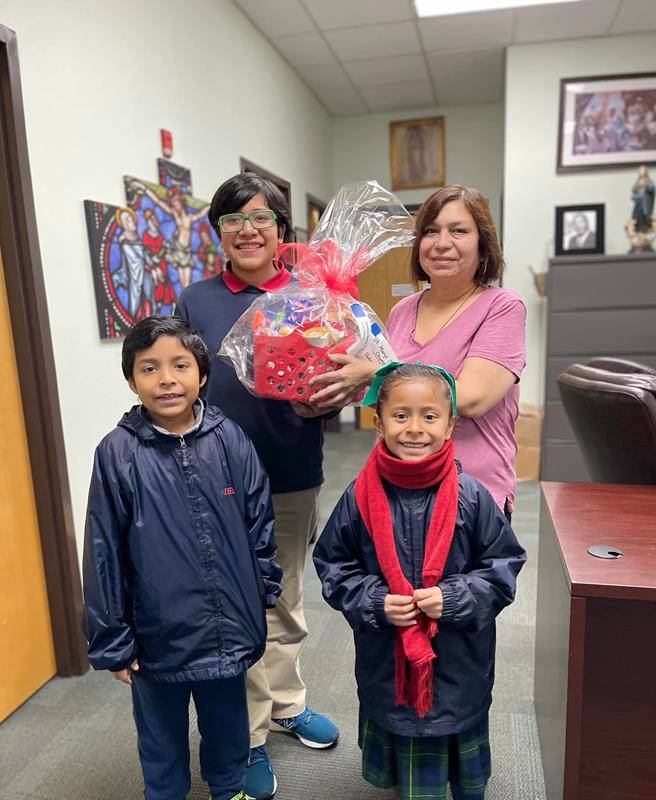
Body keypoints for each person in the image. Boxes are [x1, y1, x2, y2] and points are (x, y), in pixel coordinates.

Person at [174, 173, 340, 800]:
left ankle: (287, 701)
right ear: (218, 232)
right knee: (237, 605)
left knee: (286, 596)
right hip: (215, 480)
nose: (248, 230)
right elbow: (180, 383)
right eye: (233, 219)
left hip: (291, 471)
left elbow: (333, 381)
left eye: (261, 217)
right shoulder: (195, 300)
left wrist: (326, 402)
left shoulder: (311, 295)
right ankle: (249, 736)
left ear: (280, 229)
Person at [82, 315, 282, 800]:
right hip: (156, 636)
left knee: (228, 726)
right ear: (132, 381)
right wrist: (113, 639)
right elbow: (103, 550)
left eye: (180, 365)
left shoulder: (229, 438)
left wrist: (262, 591)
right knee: (160, 738)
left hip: (226, 628)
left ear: (202, 374)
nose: (166, 379)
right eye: (149, 368)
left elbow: (259, 523)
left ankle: (229, 788)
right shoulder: (117, 453)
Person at [313, 362, 526, 800]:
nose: (414, 428)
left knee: (459, 746)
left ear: (450, 425)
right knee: (404, 755)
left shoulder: (472, 495)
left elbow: (502, 566)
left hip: (458, 660)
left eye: (429, 416)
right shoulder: (358, 496)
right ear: (379, 423)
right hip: (387, 660)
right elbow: (334, 565)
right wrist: (374, 601)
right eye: (400, 415)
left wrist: (455, 598)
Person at [309, 185, 526, 520]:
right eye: (430, 231)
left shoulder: (502, 307)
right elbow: (388, 397)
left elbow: (471, 398)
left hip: (470, 498)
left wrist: (371, 373)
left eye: (458, 231)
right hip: (398, 489)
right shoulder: (404, 310)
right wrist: (339, 384)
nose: (442, 243)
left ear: (483, 246)